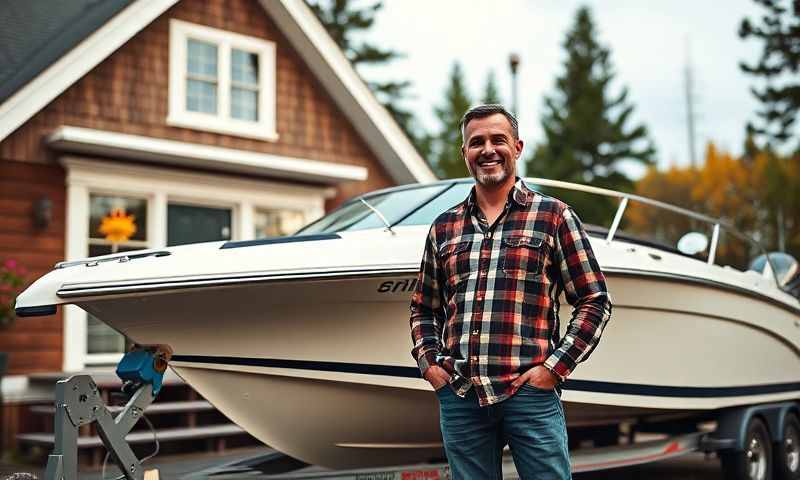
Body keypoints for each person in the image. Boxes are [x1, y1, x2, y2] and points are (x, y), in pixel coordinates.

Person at [409, 104, 612, 479]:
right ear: (465, 154)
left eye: (497, 140)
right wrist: (431, 366)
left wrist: (554, 369)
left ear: (517, 147)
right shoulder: (444, 227)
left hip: (530, 395)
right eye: (476, 142)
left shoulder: (553, 216)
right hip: (461, 396)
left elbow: (594, 301)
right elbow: (423, 307)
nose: (487, 149)